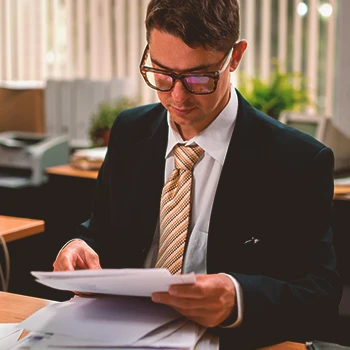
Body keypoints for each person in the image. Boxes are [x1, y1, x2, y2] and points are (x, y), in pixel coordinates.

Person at [53, 0, 342, 348]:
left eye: (198, 78)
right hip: (120, 336)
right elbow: (103, 230)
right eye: (161, 73)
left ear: (234, 57)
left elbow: (319, 296)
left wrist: (237, 298)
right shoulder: (130, 131)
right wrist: (81, 246)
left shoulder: (297, 160)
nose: (177, 96)